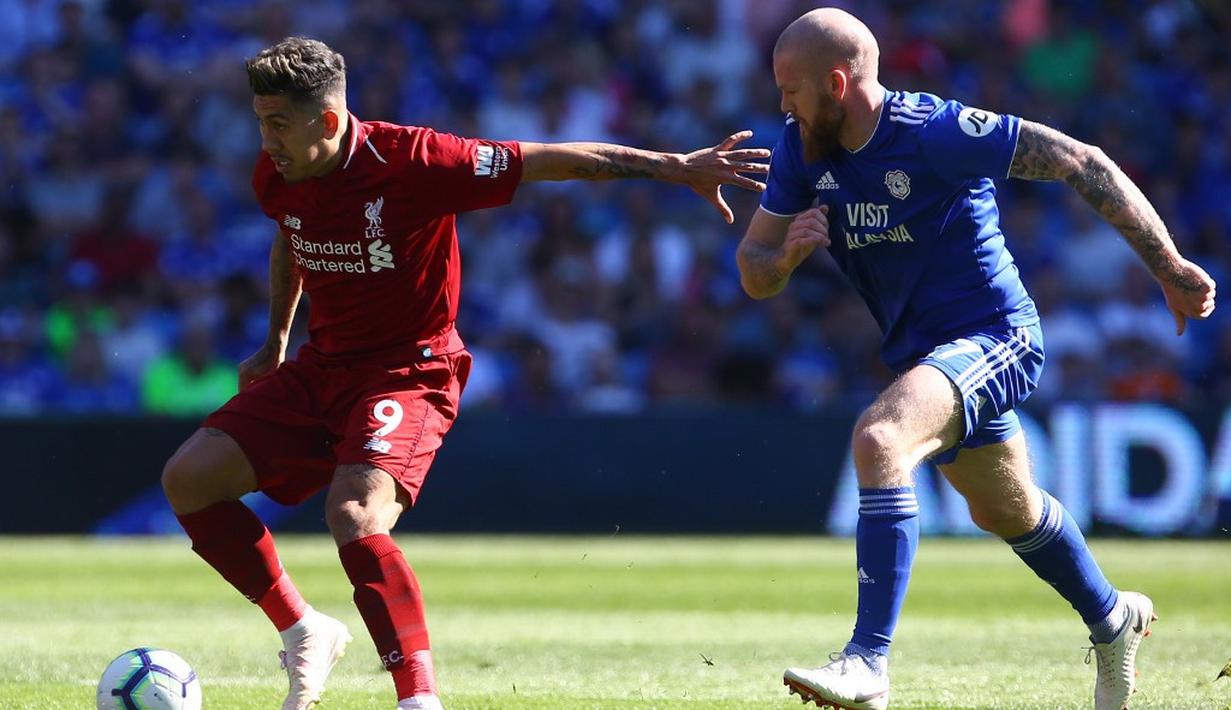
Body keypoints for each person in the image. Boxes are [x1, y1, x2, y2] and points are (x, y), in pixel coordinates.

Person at [159, 37, 769, 710]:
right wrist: (275, 341)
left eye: (277, 122)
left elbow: (556, 162)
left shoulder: (416, 159)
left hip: (408, 370)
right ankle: (305, 630)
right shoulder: (277, 171)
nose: (265, 138)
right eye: (260, 120)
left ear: (327, 121)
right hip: (321, 368)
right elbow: (291, 236)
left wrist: (673, 167)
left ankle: (418, 699)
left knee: (356, 514)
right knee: (190, 479)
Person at [737, 9, 1215, 710]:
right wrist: (782, 258)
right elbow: (752, 268)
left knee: (879, 440)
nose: (782, 104)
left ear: (836, 82)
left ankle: (867, 663)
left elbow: (1080, 161)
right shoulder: (799, 151)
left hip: (995, 337)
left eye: (791, 89)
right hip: (927, 357)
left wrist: (1167, 265)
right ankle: (1114, 619)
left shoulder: (932, 133)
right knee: (1007, 512)